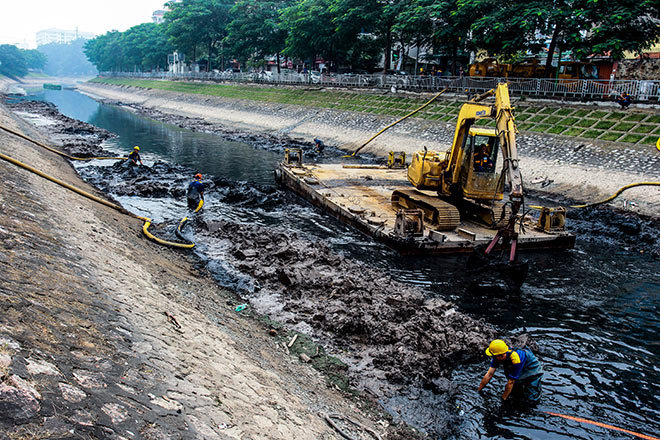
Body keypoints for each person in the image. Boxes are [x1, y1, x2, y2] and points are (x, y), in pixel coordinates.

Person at [478, 339, 543, 403]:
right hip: (515, 365)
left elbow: (511, 381)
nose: (492, 358)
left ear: (501, 355)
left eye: (494, 356)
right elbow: (489, 374)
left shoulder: (516, 359)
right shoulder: (497, 356)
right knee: (514, 392)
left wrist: (503, 400)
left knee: (532, 396)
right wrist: (479, 390)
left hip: (531, 368)